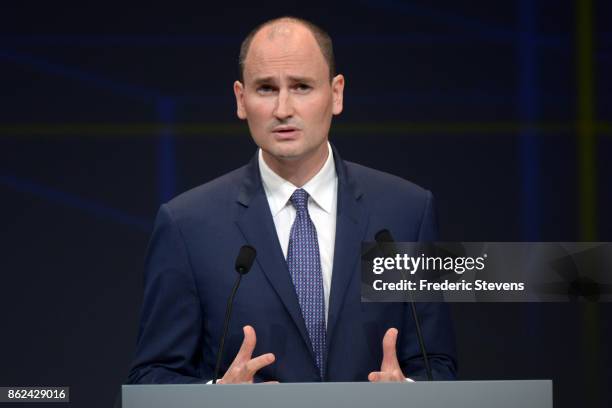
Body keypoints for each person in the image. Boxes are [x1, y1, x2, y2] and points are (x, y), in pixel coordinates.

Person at [127, 16, 456, 384]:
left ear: (336, 94)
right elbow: (150, 377)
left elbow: (437, 364)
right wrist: (214, 397)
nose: (283, 108)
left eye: (301, 86)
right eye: (266, 89)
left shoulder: (406, 213)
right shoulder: (187, 225)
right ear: (241, 99)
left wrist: (410, 393)